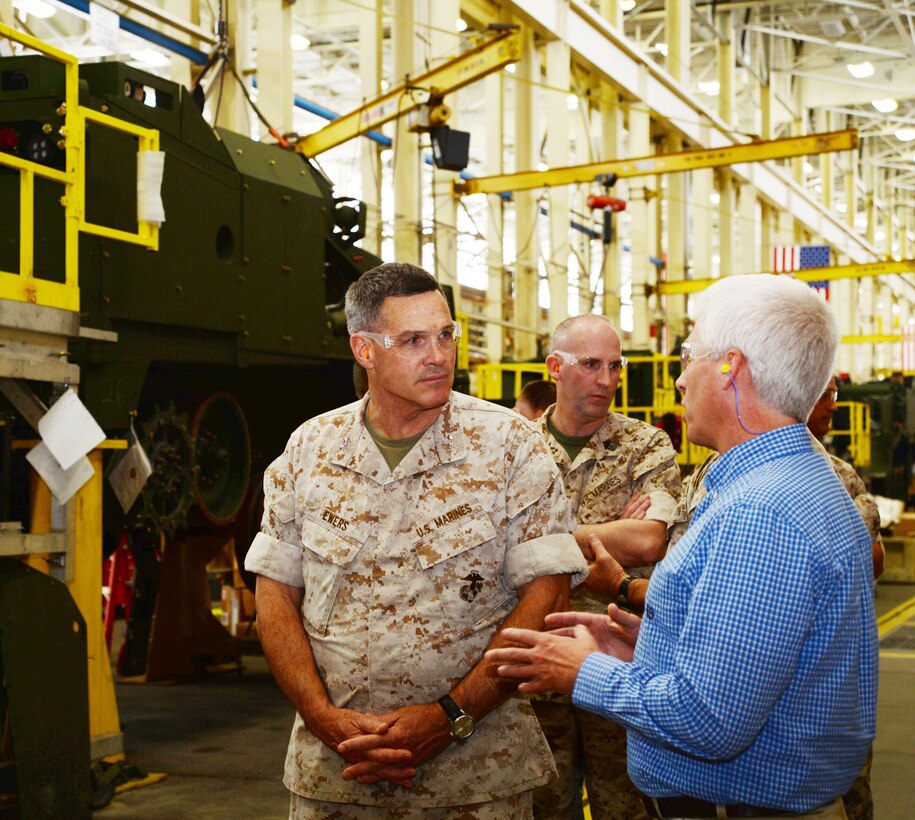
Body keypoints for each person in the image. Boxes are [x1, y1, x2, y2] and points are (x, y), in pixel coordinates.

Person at [487, 274, 878, 819]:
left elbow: (710, 721)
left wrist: (583, 669)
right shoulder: (782, 483)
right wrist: (653, 645)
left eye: (689, 355)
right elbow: (751, 660)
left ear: (730, 368)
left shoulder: (760, 513)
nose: (677, 380)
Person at [245, 262, 587, 818]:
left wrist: (451, 715)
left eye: (445, 335)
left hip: (476, 776)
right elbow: (275, 596)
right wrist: (321, 717)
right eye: (412, 340)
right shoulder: (310, 450)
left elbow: (547, 596)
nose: (439, 355)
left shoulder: (510, 448)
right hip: (338, 772)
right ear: (364, 350)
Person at [530, 314, 681, 820]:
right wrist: (607, 529)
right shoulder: (516, 449)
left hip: (617, 659)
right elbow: (496, 548)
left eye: (615, 366)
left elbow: (647, 540)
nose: (606, 379)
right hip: (537, 655)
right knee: (546, 805)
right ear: (554, 366)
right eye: (591, 364)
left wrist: (546, 538)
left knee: (627, 804)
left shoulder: (647, 444)